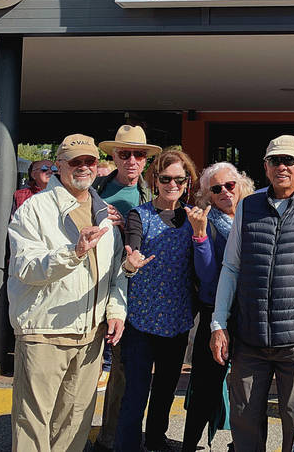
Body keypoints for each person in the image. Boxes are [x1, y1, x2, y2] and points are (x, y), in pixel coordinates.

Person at [209, 135, 294, 452]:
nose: (282, 166)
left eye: (289, 161)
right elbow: (231, 267)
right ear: (266, 167)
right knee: (244, 422)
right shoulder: (248, 207)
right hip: (249, 338)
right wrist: (218, 323)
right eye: (275, 160)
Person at [8, 134, 126, 452]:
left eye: (90, 161)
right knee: (33, 423)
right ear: (59, 166)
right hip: (44, 331)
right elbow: (26, 266)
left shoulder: (105, 213)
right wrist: (72, 253)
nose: (84, 167)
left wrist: (115, 312)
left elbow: (115, 272)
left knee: (75, 422)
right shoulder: (34, 210)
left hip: (90, 335)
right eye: (76, 161)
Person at [114, 150, 207, 452]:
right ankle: (126, 445)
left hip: (177, 320)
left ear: (187, 182)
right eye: (166, 179)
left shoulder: (194, 217)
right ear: (156, 180)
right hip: (140, 320)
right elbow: (132, 249)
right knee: (136, 392)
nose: (172, 184)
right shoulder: (139, 215)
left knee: (166, 390)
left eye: (179, 179)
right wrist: (132, 262)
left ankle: (155, 440)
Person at [93, 124, 162, 452]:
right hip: (89, 292)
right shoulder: (92, 189)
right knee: (83, 373)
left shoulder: (154, 194)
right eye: (125, 153)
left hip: (129, 296)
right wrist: (94, 218)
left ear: (146, 160)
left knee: (122, 373)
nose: (132, 160)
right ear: (114, 156)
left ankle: (111, 439)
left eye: (138, 154)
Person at [182, 161, 254, 452]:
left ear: (241, 185)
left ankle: (243, 444)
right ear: (208, 196)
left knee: (250, 387)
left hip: (250, 311)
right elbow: (208, 275)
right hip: (216, 313)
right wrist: (200, 237)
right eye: (216, 189)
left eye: (230, 185)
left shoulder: (255, 215)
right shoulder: (207, 223)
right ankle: (189, 444)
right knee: (205, 384)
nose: (225, 192)